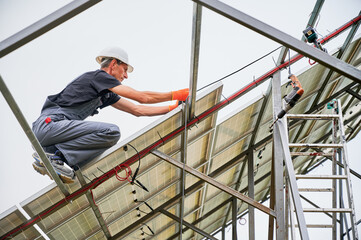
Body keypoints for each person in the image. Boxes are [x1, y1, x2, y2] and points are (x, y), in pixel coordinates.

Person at [31, 46, 189, 184]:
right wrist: (175, 94)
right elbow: (142, 98)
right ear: (114, 64)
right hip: (50, 124)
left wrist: (172, 107)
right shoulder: (99, 77)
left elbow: (137, 110)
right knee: (111, 131)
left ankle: (56, 158)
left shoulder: (106, 93)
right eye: (125, 69)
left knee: (111, 135)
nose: (126, 76)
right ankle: (56, 155)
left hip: (54, 133)